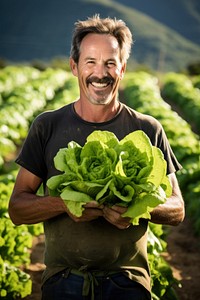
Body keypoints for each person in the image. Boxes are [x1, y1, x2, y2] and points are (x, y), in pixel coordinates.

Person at [9, 15, 185, 300]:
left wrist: (136, 207)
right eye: (90, 62)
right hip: (64, 280)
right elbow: (17, 208)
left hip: (128, 281)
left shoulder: (147, 128)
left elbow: (177, 209)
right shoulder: (47, 126)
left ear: (123, 69)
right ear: (74, 66)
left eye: (110, 63)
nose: (100, 73)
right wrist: (65, 204)